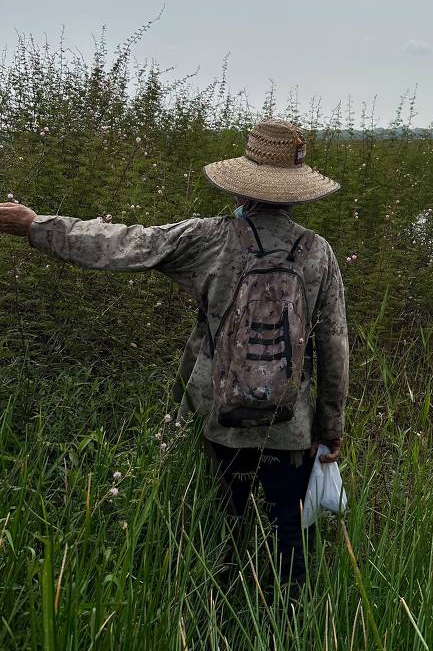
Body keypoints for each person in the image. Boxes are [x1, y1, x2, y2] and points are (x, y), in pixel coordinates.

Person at [0, 118, 349, 589]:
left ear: (242, 185)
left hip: (220, 418)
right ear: (294, 191)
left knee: (224, 527)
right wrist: (329, 429)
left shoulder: (209, 239)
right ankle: (289, 619)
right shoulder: (319, 254)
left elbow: (123, 244)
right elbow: (334, 350)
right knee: (291, 533)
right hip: (292, 425)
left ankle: (218, 610)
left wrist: (34, 226)